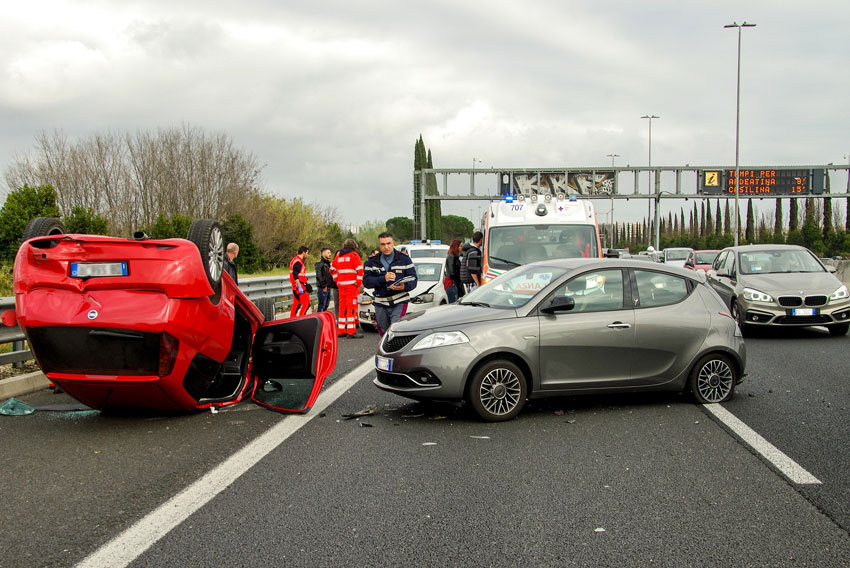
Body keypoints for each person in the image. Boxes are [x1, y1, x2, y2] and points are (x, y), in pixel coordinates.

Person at [363, 232, 417, 336]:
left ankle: (397, 352)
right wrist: (383, 278)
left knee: (396, 330)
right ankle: (386, 351)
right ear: (379, 245)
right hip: (380, 303)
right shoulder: (372, 261)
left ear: (393, 243)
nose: (386, 247)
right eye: (383, 244)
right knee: (384, 333)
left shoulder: (404, 259)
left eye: (388, 243)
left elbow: (413, 279)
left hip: (399, 301)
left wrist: (404, 287)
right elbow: (366, 282)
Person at [331, 238, 364, 338]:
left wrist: (337, 281)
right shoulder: (354, 255)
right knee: (351, 308)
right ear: (354, 246)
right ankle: (351, 331)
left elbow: (332, 269)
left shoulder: (338, 256)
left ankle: (341, 331)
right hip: (351, 287)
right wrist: (358, 283)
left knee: (342, 308)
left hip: (341, 287)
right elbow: (360, 270)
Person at [289, 246, 312, 318]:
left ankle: (292, 318)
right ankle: (301, 319)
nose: (307, 255)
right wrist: (299, 286)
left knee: (296, 303)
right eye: (307, 253)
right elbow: (295, 274)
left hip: (295, 286)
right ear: (303, 252)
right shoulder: (298, 262)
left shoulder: (294, 260)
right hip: (299, 285)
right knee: (306, 303)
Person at [444, 239, 463, 303]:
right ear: (456, 247)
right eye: (460, 246)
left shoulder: (455, 256)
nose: (461, 248)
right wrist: (459, 280)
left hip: (454, 283)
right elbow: (452, 272)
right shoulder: (451, 257)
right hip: (452, 283)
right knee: (453, 304)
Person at [315, 247, 332, 312]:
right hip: (322, 288)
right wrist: (324, 286)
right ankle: (319, 320)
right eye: (328, 253)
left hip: (328, 288)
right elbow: (319, 276)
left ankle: (324, 320)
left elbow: (330, 275)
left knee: (326, 306)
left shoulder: (328, 264)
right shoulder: (319, 264)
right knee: (321, 305)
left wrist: (330, 285)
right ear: (323, 253)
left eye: (330, 253)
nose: (330, 254)